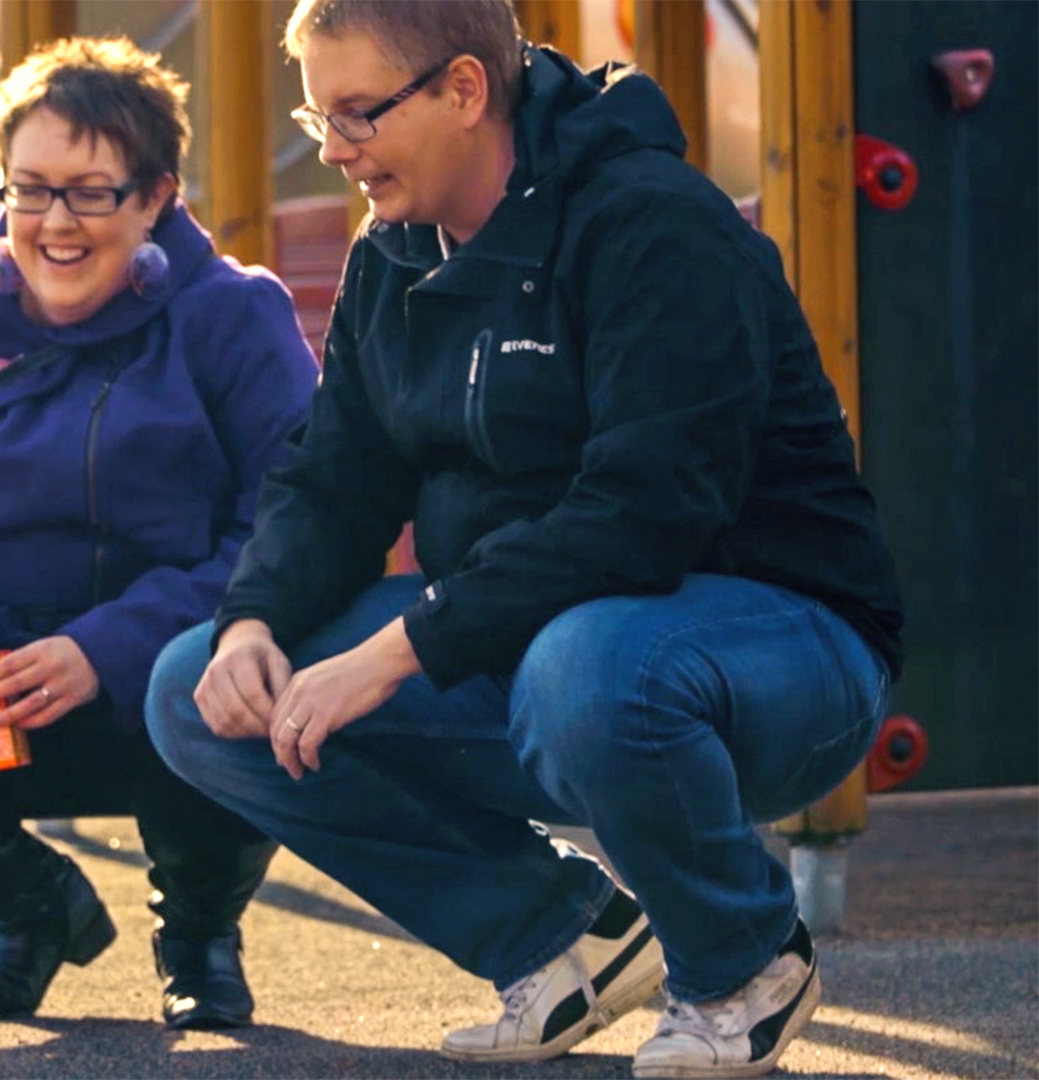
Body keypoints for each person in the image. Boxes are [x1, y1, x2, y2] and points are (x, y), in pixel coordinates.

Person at [146, 2, 904, 1078]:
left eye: (358, 114)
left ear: (464, 90)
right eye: (321, 118)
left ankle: (743, 964)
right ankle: (558, 941)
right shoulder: (392, 256)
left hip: (775, 647)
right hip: (537, 646)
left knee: (586, 667)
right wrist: (251, 621)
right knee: (195, 693)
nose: (333, 149)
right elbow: (332, 479)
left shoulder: (653, 223)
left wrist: (398, 652)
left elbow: (642, 518)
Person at [0, 36, 318, 1030]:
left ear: (156, 197)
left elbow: (288, 527)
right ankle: (26, 903)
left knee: (226, 665)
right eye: (30, 188)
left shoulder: (233, 316)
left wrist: (106, 650)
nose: (55, 222)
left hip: (149, 680)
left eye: (92, 193)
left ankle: (199, 933)